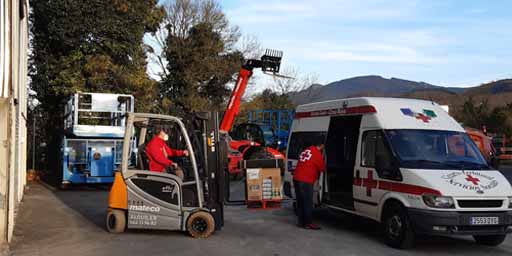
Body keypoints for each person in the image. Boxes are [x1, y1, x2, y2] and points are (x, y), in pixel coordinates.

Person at [293, 139, 325, 230]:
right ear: (322, 145)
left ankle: (301, 222)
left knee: (300, 201)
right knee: (307, 202)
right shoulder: (317, 153)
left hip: (296, 178)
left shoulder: (307, 150)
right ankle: (308, 223)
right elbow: (322, 168)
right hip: (305, 180)